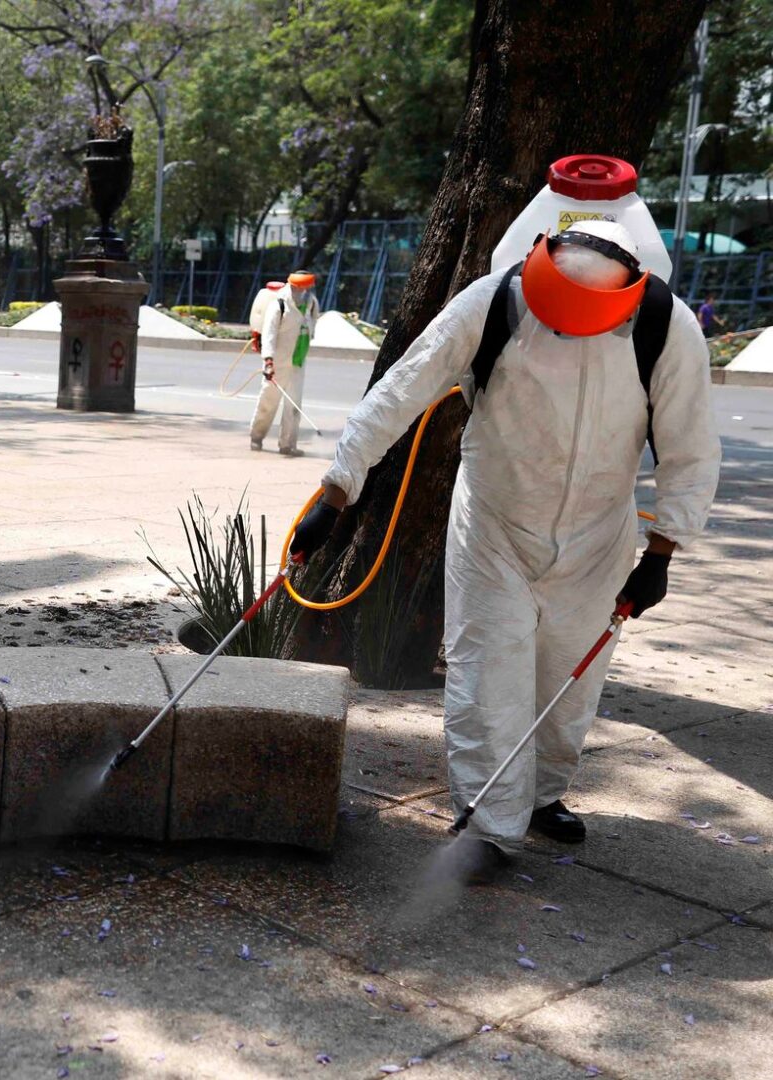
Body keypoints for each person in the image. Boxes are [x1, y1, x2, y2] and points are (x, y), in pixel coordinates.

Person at [288, 220, 720, 880]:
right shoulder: (493, 301)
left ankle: (542, 796)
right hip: (493, 524)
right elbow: (403, 388)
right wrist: (336, 489)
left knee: (567, 679)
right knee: (487, 672)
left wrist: (663, 551)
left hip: (597, 539)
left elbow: (690, 446)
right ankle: (489, 825)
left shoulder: (665, 326)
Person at [250, 269, 319, 456]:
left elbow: (313, 324)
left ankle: (288, 444)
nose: (301, 292)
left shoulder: (311, 302)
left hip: (298, 361)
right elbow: (269, 334)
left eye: (305, 288)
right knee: (268, 400)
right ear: (293, 285)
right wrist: (268, 360)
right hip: (278, 361)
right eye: (299, 288)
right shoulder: (279, 304)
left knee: (294, 405)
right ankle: (256, 437)